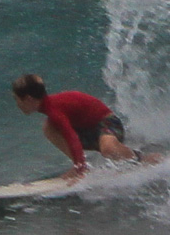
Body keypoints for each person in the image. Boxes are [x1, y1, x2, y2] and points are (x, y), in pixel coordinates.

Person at [11, 73, 158, 182]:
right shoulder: (50, 112)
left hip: (109, 123)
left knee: (108, 149)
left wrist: (79, 170)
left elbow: (72, 137)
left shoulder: (54, 110)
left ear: (29, 99)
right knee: (48, 127)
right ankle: (82, 166)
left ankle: (142, 159)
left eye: (17, 100)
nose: (17, 104)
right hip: (90, 131)